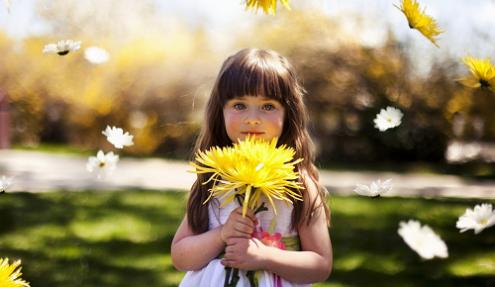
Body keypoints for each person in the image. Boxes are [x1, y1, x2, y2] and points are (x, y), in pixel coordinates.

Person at [171, 48, 332, 286]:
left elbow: (320, 265)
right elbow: (180, 256)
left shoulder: (297, 183)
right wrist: (222, 234)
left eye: (268, 106)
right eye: (239, 105)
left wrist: (266, 257)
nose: (253, 118)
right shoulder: (213, 179)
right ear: (221, 112)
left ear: (288, 114)